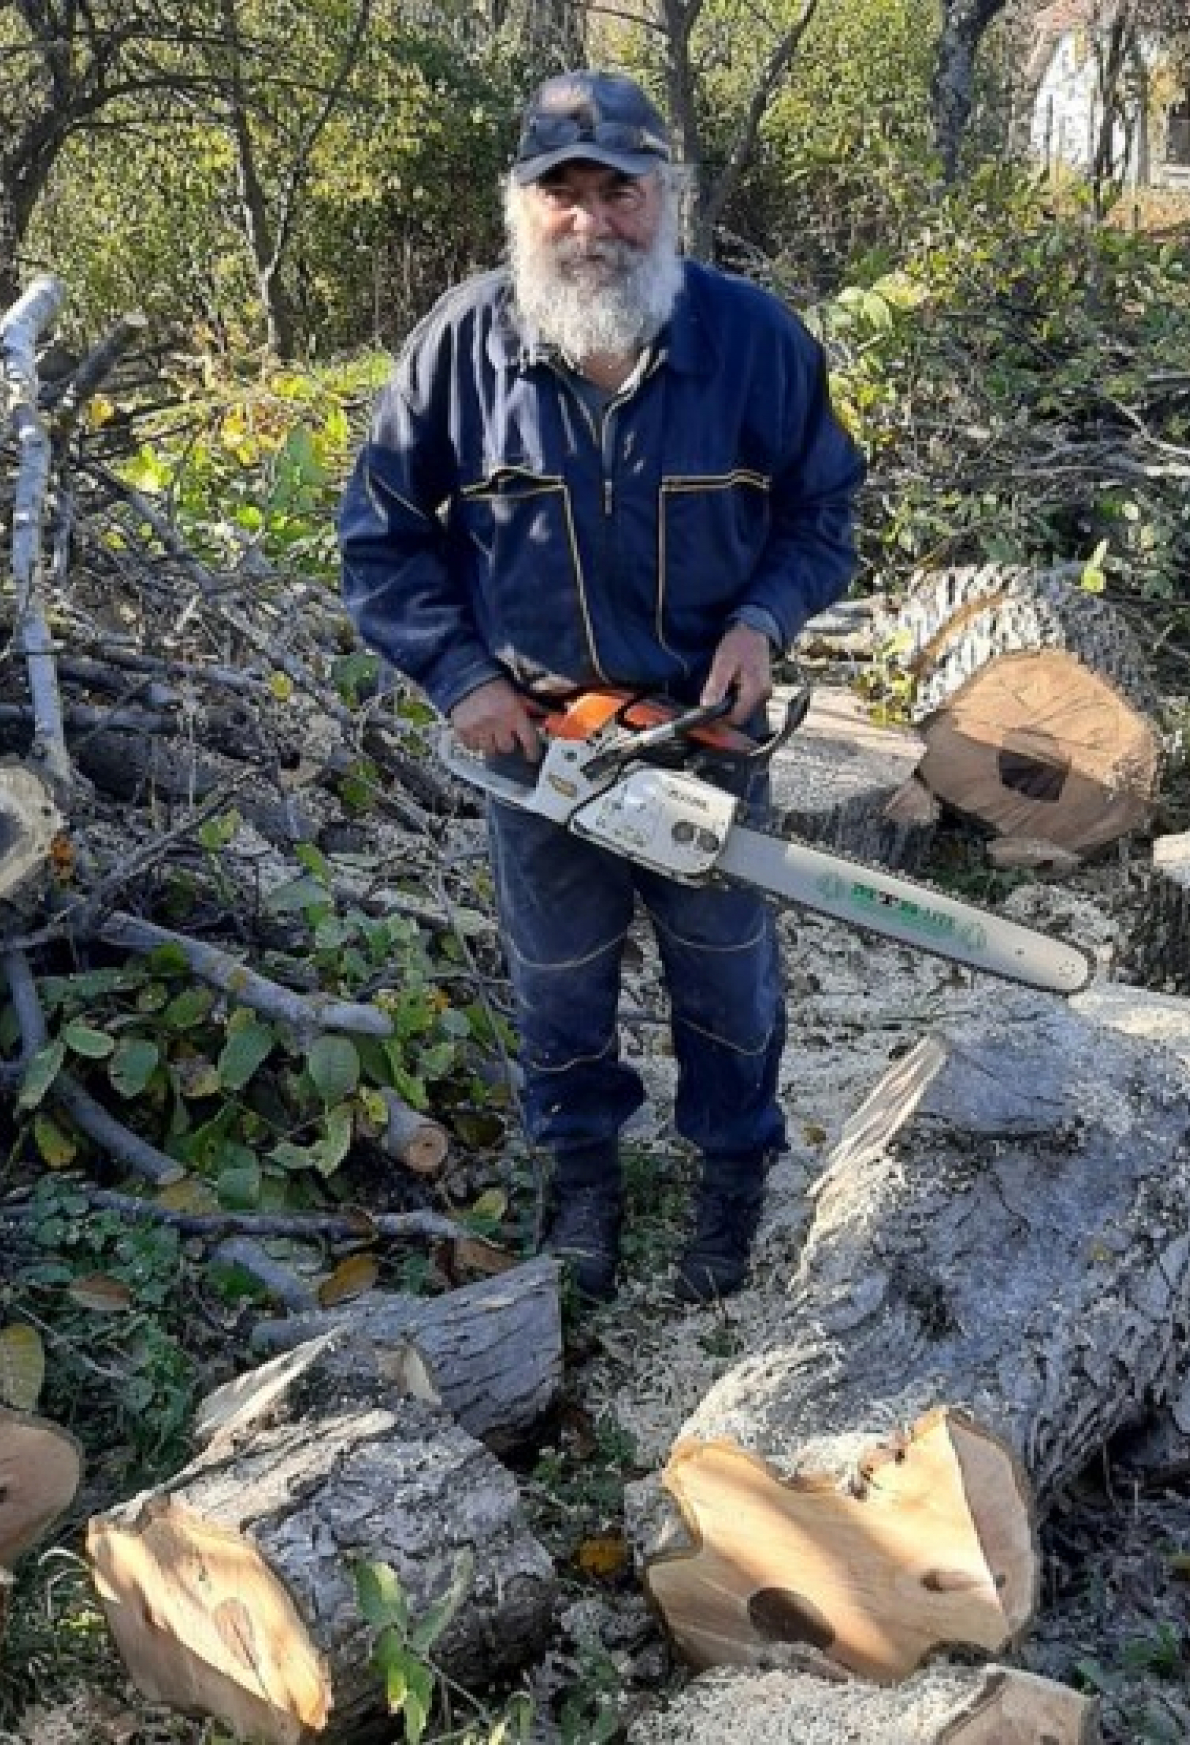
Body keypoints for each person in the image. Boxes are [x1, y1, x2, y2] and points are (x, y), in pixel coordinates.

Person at [338, 69, 864, 1303]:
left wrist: (761, 621)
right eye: (560, 193)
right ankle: (583, 1175)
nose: (590, 220)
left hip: (702, 729)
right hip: (537, 739)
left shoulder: (750, 342)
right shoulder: (461, 351)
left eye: (615, 190)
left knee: (726, 968)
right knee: (558, 977)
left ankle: (731, 1173)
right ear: (521, 208)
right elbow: (381, 541)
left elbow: (823, 509)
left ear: (662, 197)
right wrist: (461, 678)